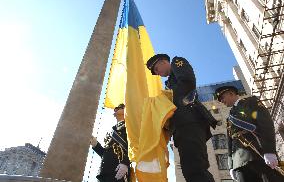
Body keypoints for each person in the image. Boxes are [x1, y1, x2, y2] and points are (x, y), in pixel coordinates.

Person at [146, 53, 215, 182]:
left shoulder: (177, 63)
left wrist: (165, 99)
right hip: (181, 127)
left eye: (156, 69)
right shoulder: (169, 83)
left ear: (162, 62)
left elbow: (188, 82)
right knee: (190, 170)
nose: (158, 74)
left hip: (189, 121)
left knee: (195, 169)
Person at [215, 85, 284, 182]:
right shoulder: (229, 119)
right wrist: (231, 166)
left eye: (222, 97)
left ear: (231, 93)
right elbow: (230, 143)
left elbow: (266, 123)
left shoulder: (251, 102)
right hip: (239, 163)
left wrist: (269, 150)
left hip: (258, 154)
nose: (221, 101)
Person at [90, 104, 131, 182]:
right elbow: (105, 153)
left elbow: (134, 147)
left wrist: (125, 163)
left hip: (119, 172)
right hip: (103, 173)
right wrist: (95, 145)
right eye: (115, 108)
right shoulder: (111, 132)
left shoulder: (130, 127)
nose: (115, 109)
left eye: (119, 107)